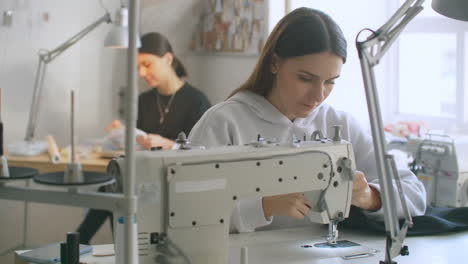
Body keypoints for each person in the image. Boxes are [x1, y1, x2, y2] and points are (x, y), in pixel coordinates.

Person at [188, 7, 426, 233]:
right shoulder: (224, 123)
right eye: (305, 78)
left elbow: (415, 193)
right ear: (274, 63)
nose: (319, 95)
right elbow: (187, 213)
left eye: (331, 81)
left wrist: (370, 196)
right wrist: (262, 207)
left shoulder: (340, 124)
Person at [76, 32, 211, 244]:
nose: (141, 72)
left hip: (174, 185)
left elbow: (204, 155)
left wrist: (169, 145)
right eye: (138, 67)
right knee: (114, 186)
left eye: (147, 64)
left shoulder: (197, 102)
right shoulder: (144, 100)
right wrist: (122, 134)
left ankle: (81, 243)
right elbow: (138, 143)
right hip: (144, 180)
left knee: (115, 189)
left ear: (167, 59)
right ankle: (112, 248)